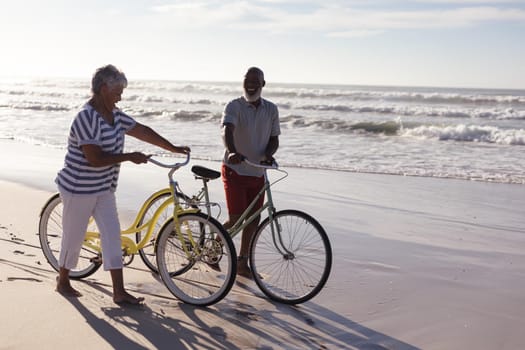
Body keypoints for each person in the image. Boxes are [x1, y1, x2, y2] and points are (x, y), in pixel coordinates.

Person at [55, 64, 190, 305]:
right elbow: (94, 159)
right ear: (104, 88)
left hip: (104, 187)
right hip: (79, 187)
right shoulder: (86, 117)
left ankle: (119, 292)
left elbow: (142, 131)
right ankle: (63, 280)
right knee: (73, 236)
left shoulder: (115, 114)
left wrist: (173, 148)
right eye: (118, 90)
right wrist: (129, 157)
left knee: (112, 235)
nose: (121, 95)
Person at [221, 67, 280, 278]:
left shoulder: (271, 110)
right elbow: (226, 129)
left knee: (254, 220)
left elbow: (274, 139)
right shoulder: (234, 106)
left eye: (256, 81)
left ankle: (242, 262)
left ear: (263, 84)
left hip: (258, 172)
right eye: (247, 80)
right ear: (243, 82)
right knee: (236, 219)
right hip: (235, 169)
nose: (251, 84)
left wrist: (268, 154)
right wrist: (232, 151)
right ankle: (215, 242)